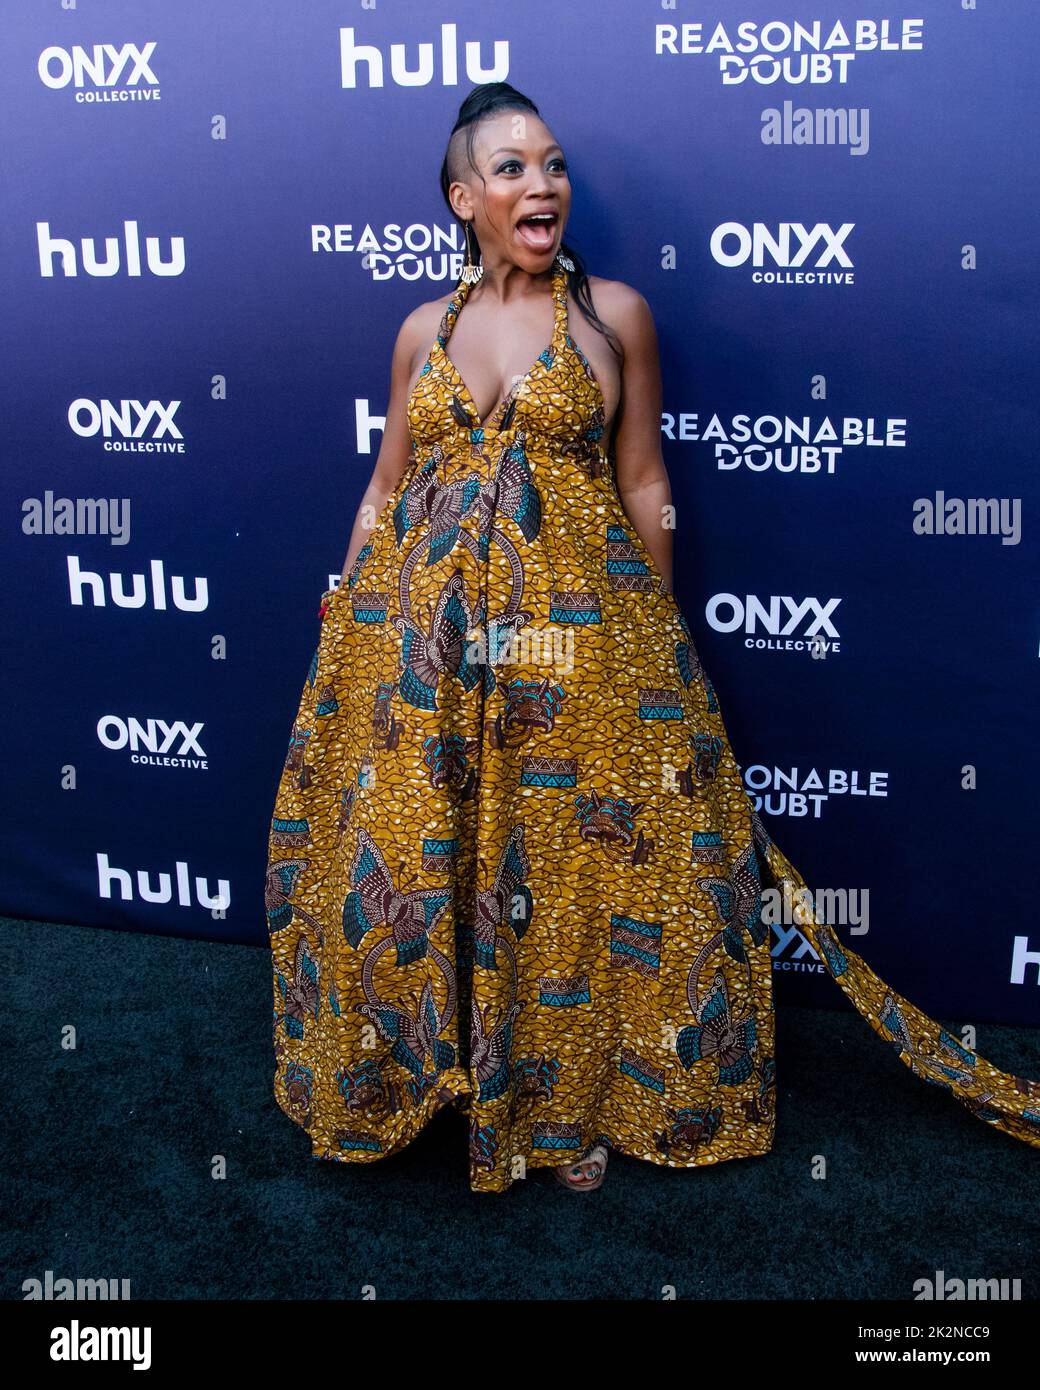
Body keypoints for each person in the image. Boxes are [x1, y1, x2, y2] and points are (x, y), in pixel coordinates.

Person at [265, 82, 1040, 1194]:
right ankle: (434, 1079)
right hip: (423, 658)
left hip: (577, 645)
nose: (543, 185)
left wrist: (654, 644)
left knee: (573, 873)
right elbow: (385, 487)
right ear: (462, 197)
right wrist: (346, 605)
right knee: (429, 858)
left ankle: (557, 1101)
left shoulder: (612, 316)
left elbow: (641, 478)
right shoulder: (416, 332)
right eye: (513, 168)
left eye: (554, 165)